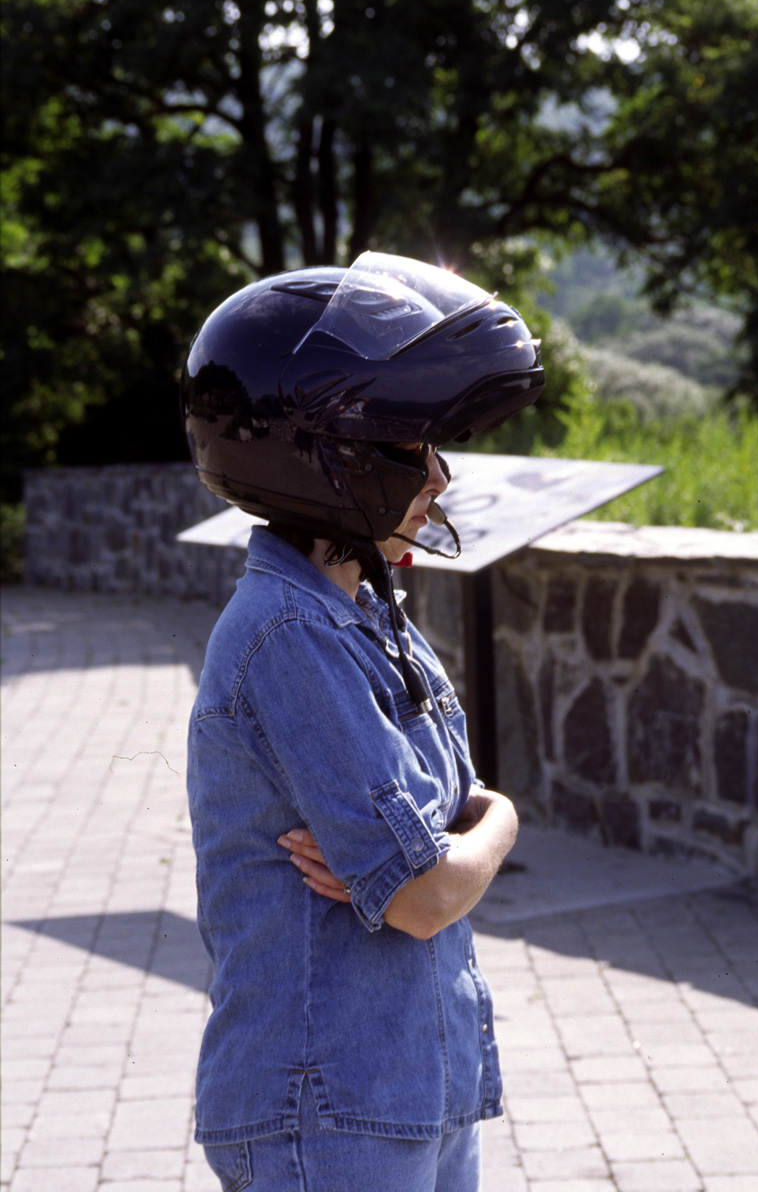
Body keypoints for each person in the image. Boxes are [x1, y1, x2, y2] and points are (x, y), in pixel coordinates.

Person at [182, 252, 545, 1192]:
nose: (437, 477)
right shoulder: (289, 634)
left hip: (412, 1087)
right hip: (329, 1106)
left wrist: (467, 836)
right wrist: (497, 825)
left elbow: (445, 843)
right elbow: (426, 893)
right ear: (322, 461)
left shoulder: (366, 614)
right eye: (404, 450)